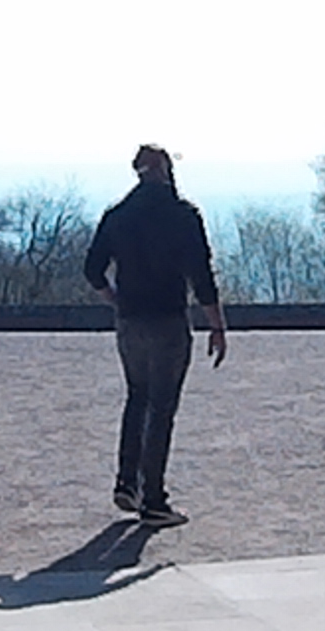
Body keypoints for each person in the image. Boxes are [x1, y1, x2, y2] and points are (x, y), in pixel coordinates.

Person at [83, 144, 227, 529]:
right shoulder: (183, 215)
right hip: (168, 320)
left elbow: (92, 269)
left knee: (137, 398)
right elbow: (202, 276)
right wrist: (217, 325)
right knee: (162, 408)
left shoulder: (118, 215)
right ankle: (154, 501)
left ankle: (127, 482)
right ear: (165, 169)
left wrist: (115, 299)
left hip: (130, 321)